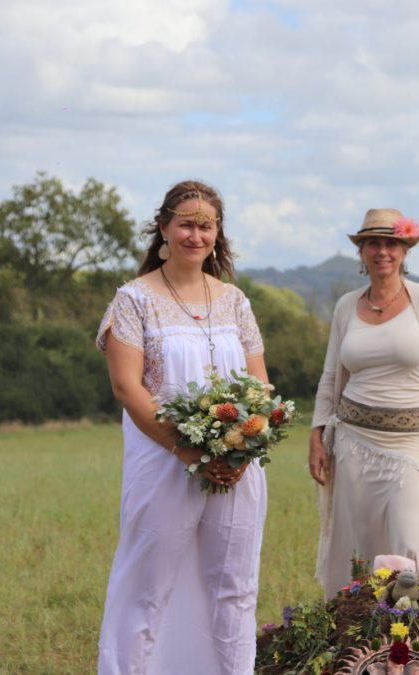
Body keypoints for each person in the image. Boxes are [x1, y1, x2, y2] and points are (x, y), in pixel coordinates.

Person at [95, 180, 268, 674]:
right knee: (146, 590)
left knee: (234, 589)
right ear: (164, 228)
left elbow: (260, 387)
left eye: (206, 225)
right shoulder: (134, 300)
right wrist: (190, 452)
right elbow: (128, 389)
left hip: (236, 467)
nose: (196, 235)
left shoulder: (235, 301)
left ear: (218, 233)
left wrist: (239, 451)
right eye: (186, 224)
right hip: (164, 462)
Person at [308, 208, 419, 598]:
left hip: (412, 444)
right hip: (352, 443)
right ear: (361, 251)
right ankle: (355, 644)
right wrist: (316, 436)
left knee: (412, 539)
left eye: (391, 243)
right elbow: (331, 376)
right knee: (357, 548)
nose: (382, 252)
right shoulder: (346, 306)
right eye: (373, 243)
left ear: (404, 250)